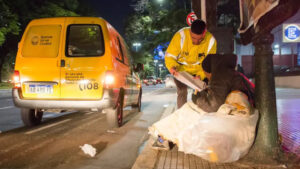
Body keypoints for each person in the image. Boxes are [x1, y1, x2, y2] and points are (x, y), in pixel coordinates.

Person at [165, 19, 217, 108]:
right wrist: (172, 68)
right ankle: (182, 114)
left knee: (203, 91)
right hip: (181, 70)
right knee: (182, 91)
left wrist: (201, 75)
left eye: (200, 39)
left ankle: (201, 113)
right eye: (193, 38)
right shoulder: (180, 36)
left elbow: (210, 63)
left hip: (199, 72)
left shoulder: (211, 41)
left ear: (204, 33)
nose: (196, 42)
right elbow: (170, 56)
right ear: (189, 31)